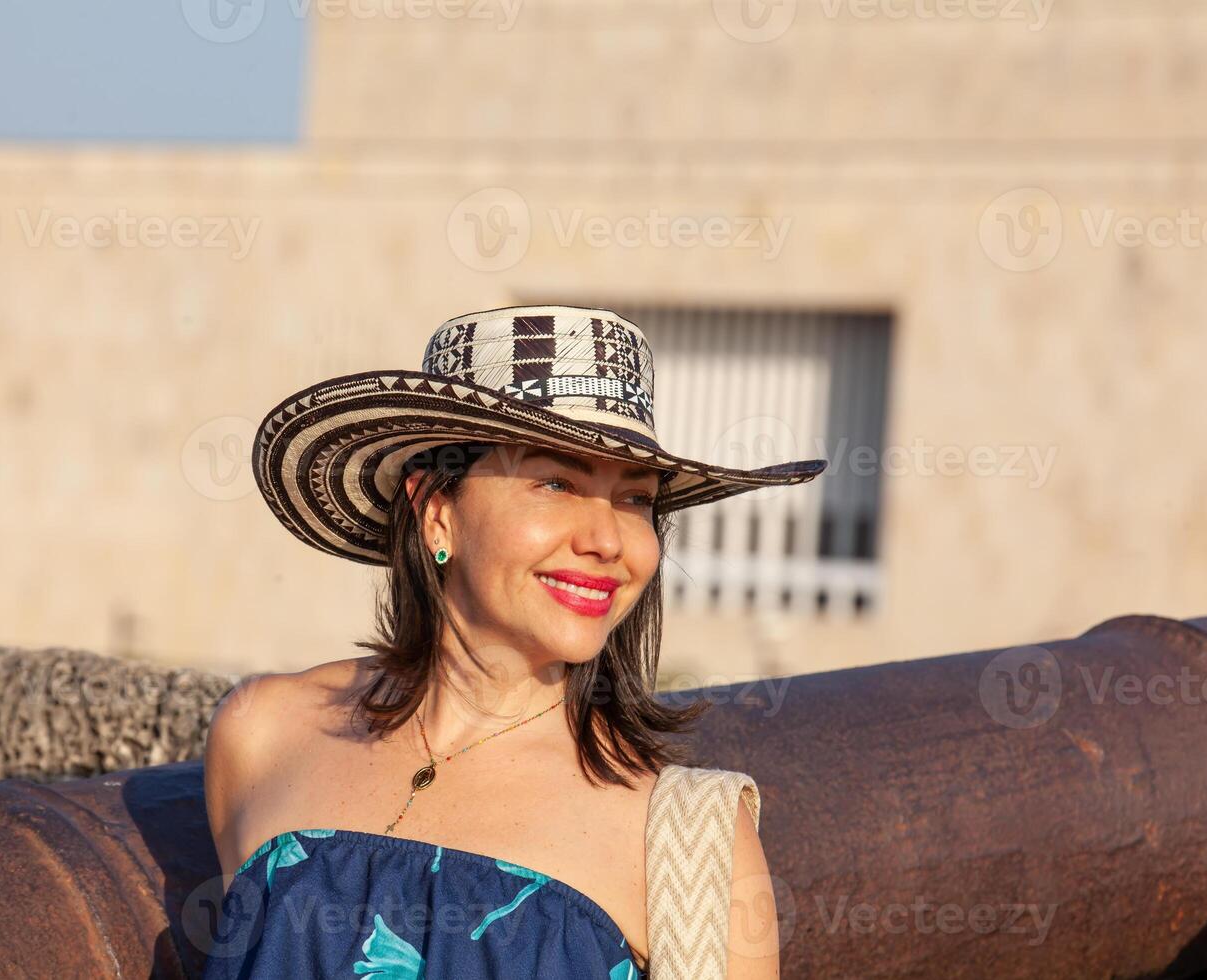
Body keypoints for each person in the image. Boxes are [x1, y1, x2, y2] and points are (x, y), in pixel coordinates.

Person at [201, 305, 826, 978]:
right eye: (555, 483)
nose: (608, 541)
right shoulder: (262, 735)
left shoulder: (689, 843)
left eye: (634, 500)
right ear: (437, 512)